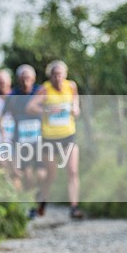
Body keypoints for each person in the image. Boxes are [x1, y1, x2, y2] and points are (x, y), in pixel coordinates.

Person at [27, 60, 84, 219]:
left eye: (60, 74)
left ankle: (74, 208)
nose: (58, 78)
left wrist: (76, 108)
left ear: (65, 75)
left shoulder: (71, 86)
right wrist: (47, 109)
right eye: (54, 75)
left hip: (68, 134)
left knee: (73, 171)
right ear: (50, 76)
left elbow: (75, 103)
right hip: (50, 138)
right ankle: (42, 202)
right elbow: (30, 107)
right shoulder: (45, 89)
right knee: (51, 175)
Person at [2, 64, 45, 217]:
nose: (26, 81)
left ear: (33, 79)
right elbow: (4, 117)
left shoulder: (40, 92)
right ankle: (31, 204)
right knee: (27, 174)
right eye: (23, 78)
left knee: (41, 174)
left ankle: (40, 196)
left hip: (39, 140)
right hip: (20, 141)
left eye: (28, 78)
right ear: (19, 80)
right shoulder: (13, 96)